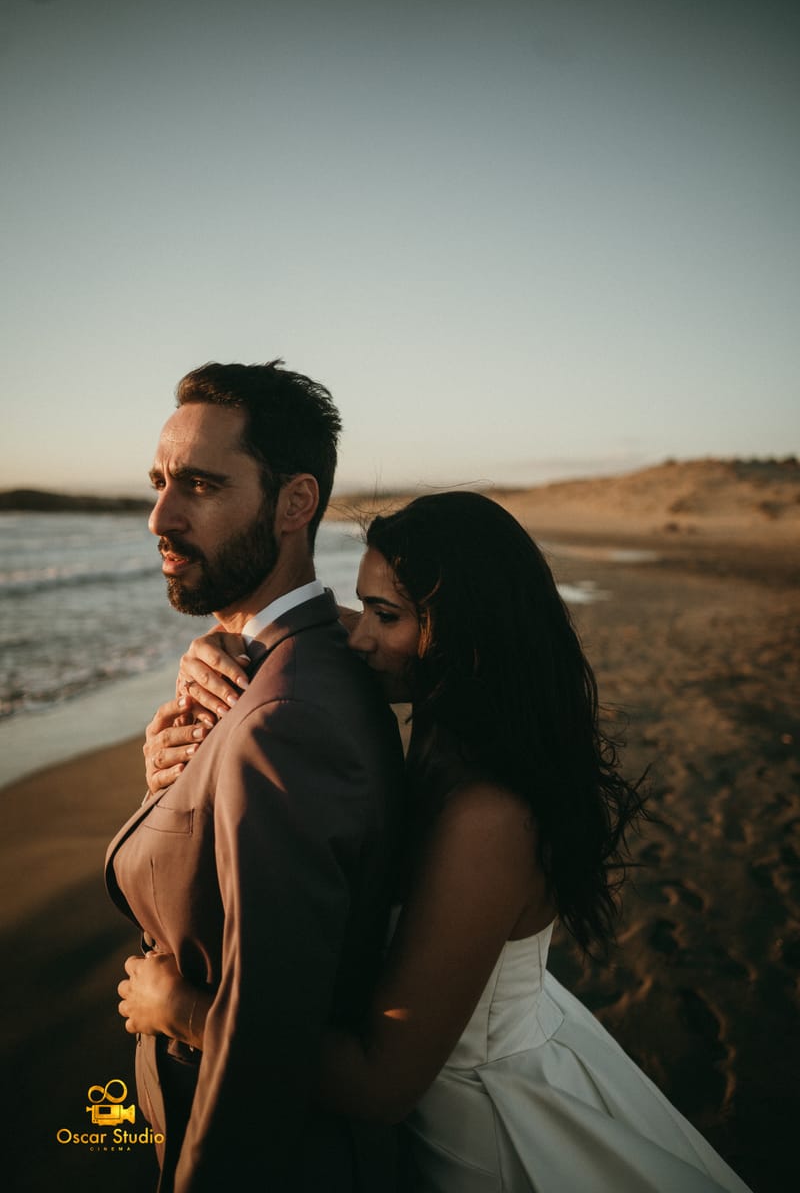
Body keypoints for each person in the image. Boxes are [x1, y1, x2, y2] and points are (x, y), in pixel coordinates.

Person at [119, 492, 752, 1193]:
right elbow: (320, 630)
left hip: (492, 1133)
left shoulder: (487, 815)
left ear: (465, 632)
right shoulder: (452, 721)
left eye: (386, 616)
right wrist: (225, 645)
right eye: (366, 606)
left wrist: (182, 1010)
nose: (360, 638)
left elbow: (379, 1083)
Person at [105, 361, 406, 1193]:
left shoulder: (288, 716)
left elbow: (265, 1047)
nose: (161, 515)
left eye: (200, 485)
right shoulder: (256, 670)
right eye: (160, 482)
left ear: (294, 503)